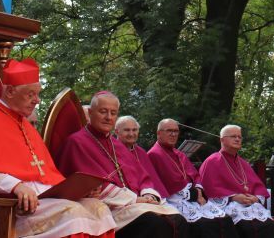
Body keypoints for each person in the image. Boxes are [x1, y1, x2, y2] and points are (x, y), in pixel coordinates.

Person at [0, 58, 116, 238]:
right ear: (11, 91)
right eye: (31, 94)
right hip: (3, 208)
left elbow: (44, 174)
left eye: (37, 94)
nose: (36, 101)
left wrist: (81, 189)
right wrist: (16, 186)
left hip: (40, 200)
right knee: (72, 212)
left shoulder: (27, 126)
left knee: (99, 208)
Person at [57, 92, 187, 238]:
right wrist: (134, 199)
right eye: (103, 111)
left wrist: (149, 194)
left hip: (135, 205)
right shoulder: (77, 142)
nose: (108, 117)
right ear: (90, 112)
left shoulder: (117, 145)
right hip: (108, 208)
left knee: (179, 220)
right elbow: (91, 183)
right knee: (153, 223)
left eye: (113, 113)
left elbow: (141, 176)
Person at [147, 119, 237, 238]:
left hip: (193, 197)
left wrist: (199, 190)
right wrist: (194, 194)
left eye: (176, 131)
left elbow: (195, 175)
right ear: (159, 133)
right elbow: (167, 186)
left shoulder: (179, 154)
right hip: (174, 200)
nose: (173, 134)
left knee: (224, 220)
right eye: (169, 131)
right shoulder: (154, 154)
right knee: (204, 225)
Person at [199, 125, 274, 238]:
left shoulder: (243, 163)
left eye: (239, 137)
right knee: (247, 226)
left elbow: (258, 187)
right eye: (233, 136)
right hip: (227, 206)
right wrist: (233, 197)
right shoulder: (212, 161)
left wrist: (255, 198)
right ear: (222, 140)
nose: (237, 139)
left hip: (250, 205)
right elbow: (209, 189)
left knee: (269, 225)